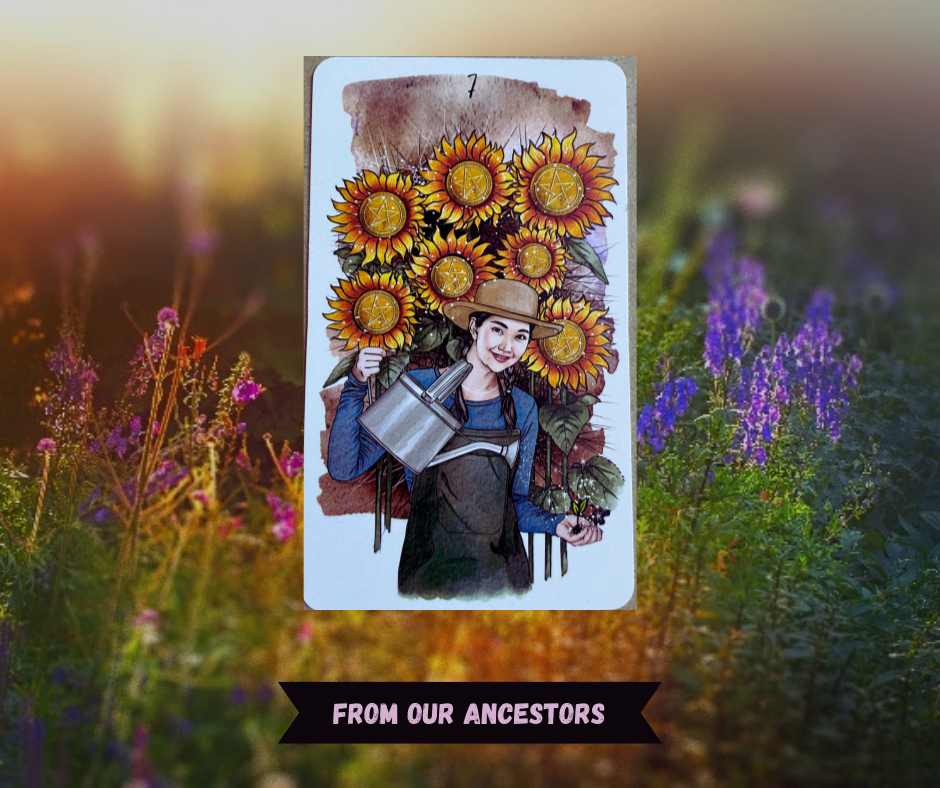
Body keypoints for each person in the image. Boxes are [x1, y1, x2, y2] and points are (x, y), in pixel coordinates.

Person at [328, 278, 602, 599]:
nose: (506, 346)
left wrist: (555, 523)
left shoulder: (522, 407)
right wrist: (357, 383)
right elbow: (345, 467)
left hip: (504, 579)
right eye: (498, 330)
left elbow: (514, 503)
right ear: (474, 327)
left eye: (520, 336)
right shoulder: (421, 390)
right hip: (428, 576)